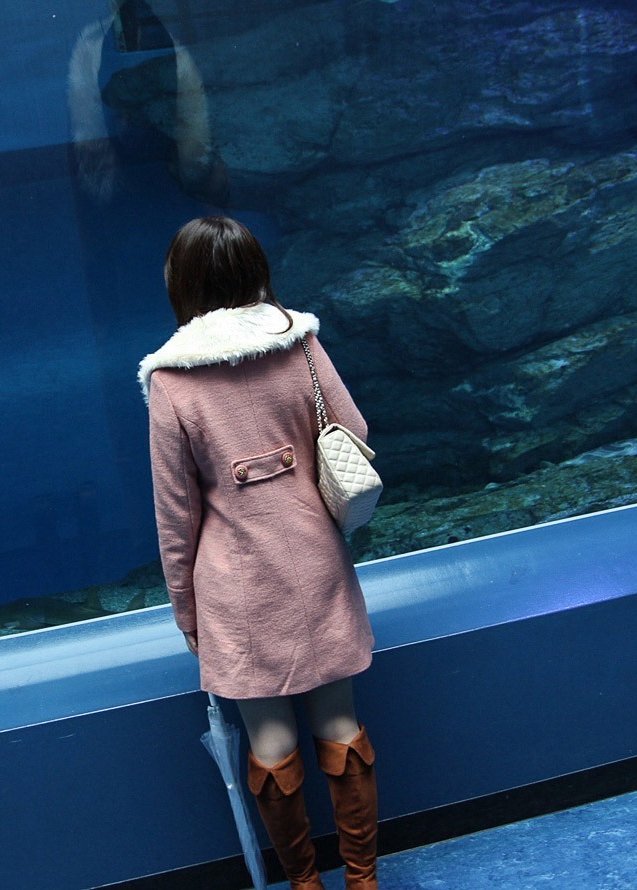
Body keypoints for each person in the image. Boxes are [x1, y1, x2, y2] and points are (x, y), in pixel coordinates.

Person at [138, 217, 378, 890]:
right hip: (315, 560)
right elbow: (352, 433)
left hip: (234, 586)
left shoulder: (171, 381)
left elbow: (176, 515)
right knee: (340, 723)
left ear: (181, 282)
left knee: (271, 744)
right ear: (254, 269)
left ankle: (304, 884)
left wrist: (187, 614)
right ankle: (363, 880)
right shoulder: (300, 345)